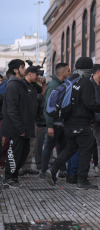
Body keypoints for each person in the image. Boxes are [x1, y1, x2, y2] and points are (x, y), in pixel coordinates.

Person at [46, 57, 100, 190]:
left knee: (70, 149)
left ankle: (53, 170)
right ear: (88, 69)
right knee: (86, 150)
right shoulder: (85, 82)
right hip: (81, 124)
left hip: (67, 124)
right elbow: (89, 103)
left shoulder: (70, 80)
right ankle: (82, 180)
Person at [1, 59, 36, 188]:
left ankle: (14, 176)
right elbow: (11, 109)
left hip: (24, 128)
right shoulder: (12, 85)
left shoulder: (20, 84)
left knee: (23, 153)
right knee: (13, 154)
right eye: (22, 67)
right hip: (14, 129)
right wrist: (19, 128)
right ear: (16, 70)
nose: (25, 69)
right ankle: (9, 178)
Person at [40, 63, 71, 179]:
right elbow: (49, 106)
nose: (70, 72)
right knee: (48, 147)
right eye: (68, 70)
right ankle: (43, 171)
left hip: (61, 123)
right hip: (54, 124)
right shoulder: (53, 85)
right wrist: (50, 125)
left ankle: (62, 170)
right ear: (62, 72)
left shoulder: (62, 84)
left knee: (62, 147)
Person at [19, 65, 44, 175]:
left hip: (32, 120)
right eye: (36, 74)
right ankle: (18, 167)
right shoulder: (21, 85)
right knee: (21, 145)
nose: (38, 76)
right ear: (29, 74)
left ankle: (27, 167)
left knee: (31, 144)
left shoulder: (33, 85)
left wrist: (39, 82)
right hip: (22, 120)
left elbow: (40, 91)